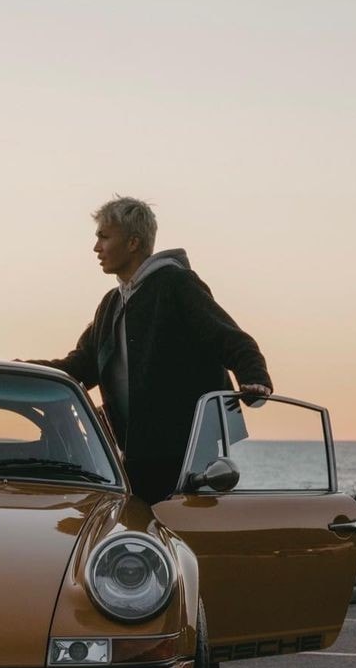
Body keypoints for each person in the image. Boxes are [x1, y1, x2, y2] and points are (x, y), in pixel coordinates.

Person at [31, 196, 272, 505]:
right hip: (135, 456)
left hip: (184, 456)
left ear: (133, 242)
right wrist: (18, 372)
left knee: (180, 539)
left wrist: (255, 379)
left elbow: (231, 339)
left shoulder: (176, 284)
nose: (96, 247)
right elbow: (79, 367)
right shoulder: (111, 303)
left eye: (104, 237)